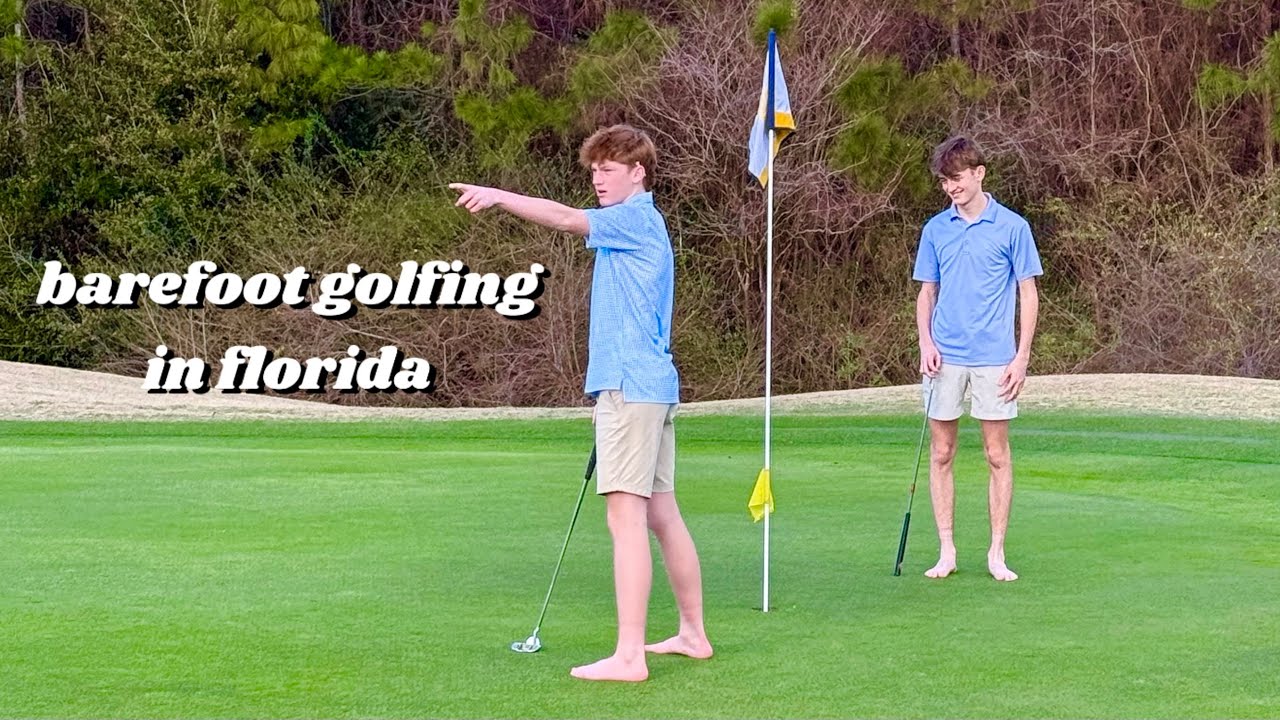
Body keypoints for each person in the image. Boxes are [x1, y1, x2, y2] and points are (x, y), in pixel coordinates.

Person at [450, 124, 712, 681]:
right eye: (594, 170)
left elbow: (566, 219)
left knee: (626, 518)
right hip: (649, 386)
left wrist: (498, 196)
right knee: (661, 514)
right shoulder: (639, 222)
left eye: (609, 169)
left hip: (630, 387)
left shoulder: (634, 218)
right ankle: (692, 634)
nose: (598, 179)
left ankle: (629, 656)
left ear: (638, 172)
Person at [912, 135, 1043, 582]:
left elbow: (1028, 292)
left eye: (957, 178)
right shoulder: (935, 229)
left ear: (979, 173)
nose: (951, 187)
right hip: (944, 357)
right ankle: (947, 551)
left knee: (996, 454)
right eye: (944, 181)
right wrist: (926, 343)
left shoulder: (1013, 227)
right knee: (942, 452)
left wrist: (1021, 357)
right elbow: (927, 292)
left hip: (995, 358)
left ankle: (996, 554)